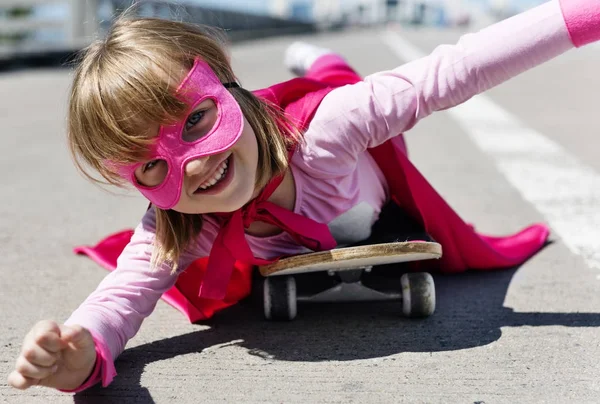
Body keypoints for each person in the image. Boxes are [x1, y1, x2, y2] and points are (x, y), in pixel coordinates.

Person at [7, 0, 599, 393]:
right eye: (155, 166)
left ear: (226, 84)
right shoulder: (179, 223)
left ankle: (311, 57)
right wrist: (79, 354)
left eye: (196, 122)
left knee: (336, 79)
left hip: (323, 126)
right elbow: (121, 298)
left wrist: (584, 16)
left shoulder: (332, 128)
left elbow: (455, 70)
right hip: (313, 210)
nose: (194, 166)